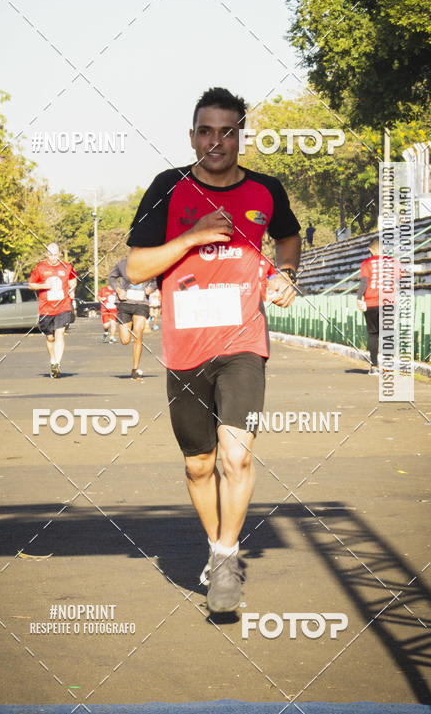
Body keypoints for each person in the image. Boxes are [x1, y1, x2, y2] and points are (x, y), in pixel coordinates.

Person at [125, 86, 301, 613]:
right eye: (206, 130)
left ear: (240, 135)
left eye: (227, 131)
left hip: (244, 341)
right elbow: (135, 267)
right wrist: (192, 237)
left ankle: (226, 559)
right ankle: (215, 544)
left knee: (236, 453)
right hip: (185, 349)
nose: (216, 141)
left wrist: (287, 274)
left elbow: (288, 238)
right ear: (192, 135)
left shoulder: (267, 190)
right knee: (199, 465)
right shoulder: (167, 187)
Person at [29, 243, 77, 378]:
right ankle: (52, 359)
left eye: (55, 254)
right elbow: (31, 285)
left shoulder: (67, 266)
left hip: (63, 306)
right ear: (46, 254)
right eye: (50, 254)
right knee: (50, 338)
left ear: (60, 254)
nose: (53, 257)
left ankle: (56, 363)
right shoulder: (40, 267)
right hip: (46, 308)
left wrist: (72, 290)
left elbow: (73, 280)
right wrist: (44, 285)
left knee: (60, 333)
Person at [357, 236, 402, 374]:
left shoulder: (366, 263)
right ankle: (388, 367)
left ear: (371, 250)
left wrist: (359, 298)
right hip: (389, 301)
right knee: (388, 333)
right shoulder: (394, 262)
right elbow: (400, 279)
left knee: (373, 334)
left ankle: (374, 366)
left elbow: (364, 282)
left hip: (370, 303)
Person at [108, 257, 156, 379]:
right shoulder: (123, 264)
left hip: (141, 303)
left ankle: (135, 369)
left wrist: (151, 288)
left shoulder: (150, 264)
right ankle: (133, 324)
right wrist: (118, 290)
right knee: (125, 340)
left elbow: (157, 279)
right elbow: (111, 277)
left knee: (138, 334)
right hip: (125, 303)